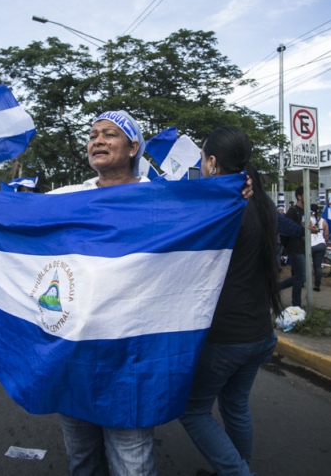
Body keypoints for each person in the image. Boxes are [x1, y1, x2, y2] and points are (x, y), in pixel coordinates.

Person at [50, 111, 255, 475]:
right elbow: (16, 216)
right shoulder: (67, 198)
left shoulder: (160, 200)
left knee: (132, 464)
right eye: (93, 134)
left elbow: (205, 216)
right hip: (74, 355)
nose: (97, 140)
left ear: (133, 147)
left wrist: (230, 194)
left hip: (131, 359)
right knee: (81, 459)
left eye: (109, 134)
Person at [179, 126, 283, 476]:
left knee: (192, 410)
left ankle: (238, 473)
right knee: (236, 405)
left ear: (211, 162)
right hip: (259, 330)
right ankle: (237, 467)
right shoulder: (261, 204)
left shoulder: (222, 209)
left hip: (226, 336)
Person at [280, 187, 307, 307]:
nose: (309, 197)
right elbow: (284, 230)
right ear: (299, 196)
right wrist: (286, 248)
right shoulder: (292, 211)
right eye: (306, 194)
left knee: (299, 277)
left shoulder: (305, 211)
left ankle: (275, 287)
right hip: (294, 248)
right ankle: (297, 305)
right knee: (301, 277)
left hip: (303, 247)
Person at [310, 203, 329, 292]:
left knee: (305, 265)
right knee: (317, 266)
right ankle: (317, 285)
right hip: (321, 244)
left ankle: (302, 282)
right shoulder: (323, 221)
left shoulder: (308, 220)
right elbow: (326, 234)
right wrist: (326, 244)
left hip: (311, 245)